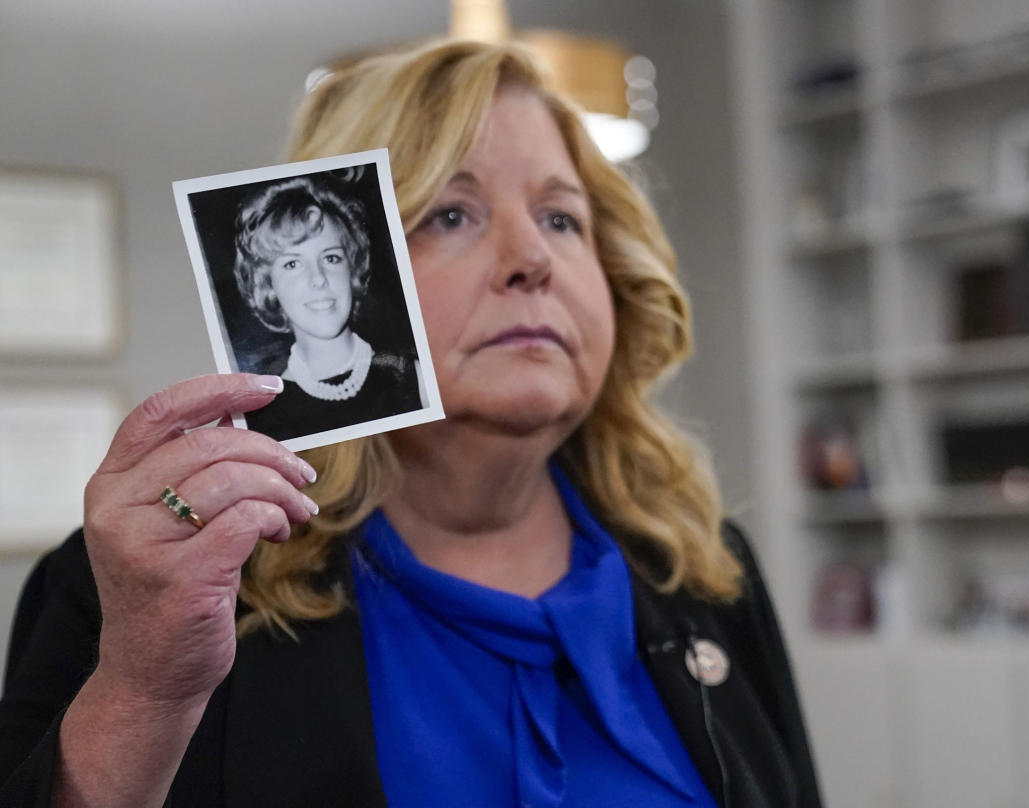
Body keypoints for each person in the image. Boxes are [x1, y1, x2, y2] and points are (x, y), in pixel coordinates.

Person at [0, 38, 822, 808]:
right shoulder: (157, 588)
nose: (532, 258)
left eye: (562, 217)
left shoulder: (705, 569)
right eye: (452, 215)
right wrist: (144, 689)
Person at [230, 175, 425, 442]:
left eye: (331, 258)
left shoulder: (416, 377)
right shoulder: (259, 419)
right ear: (267, 284)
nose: (319, 278)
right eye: (292, 264)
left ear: (353, 269)